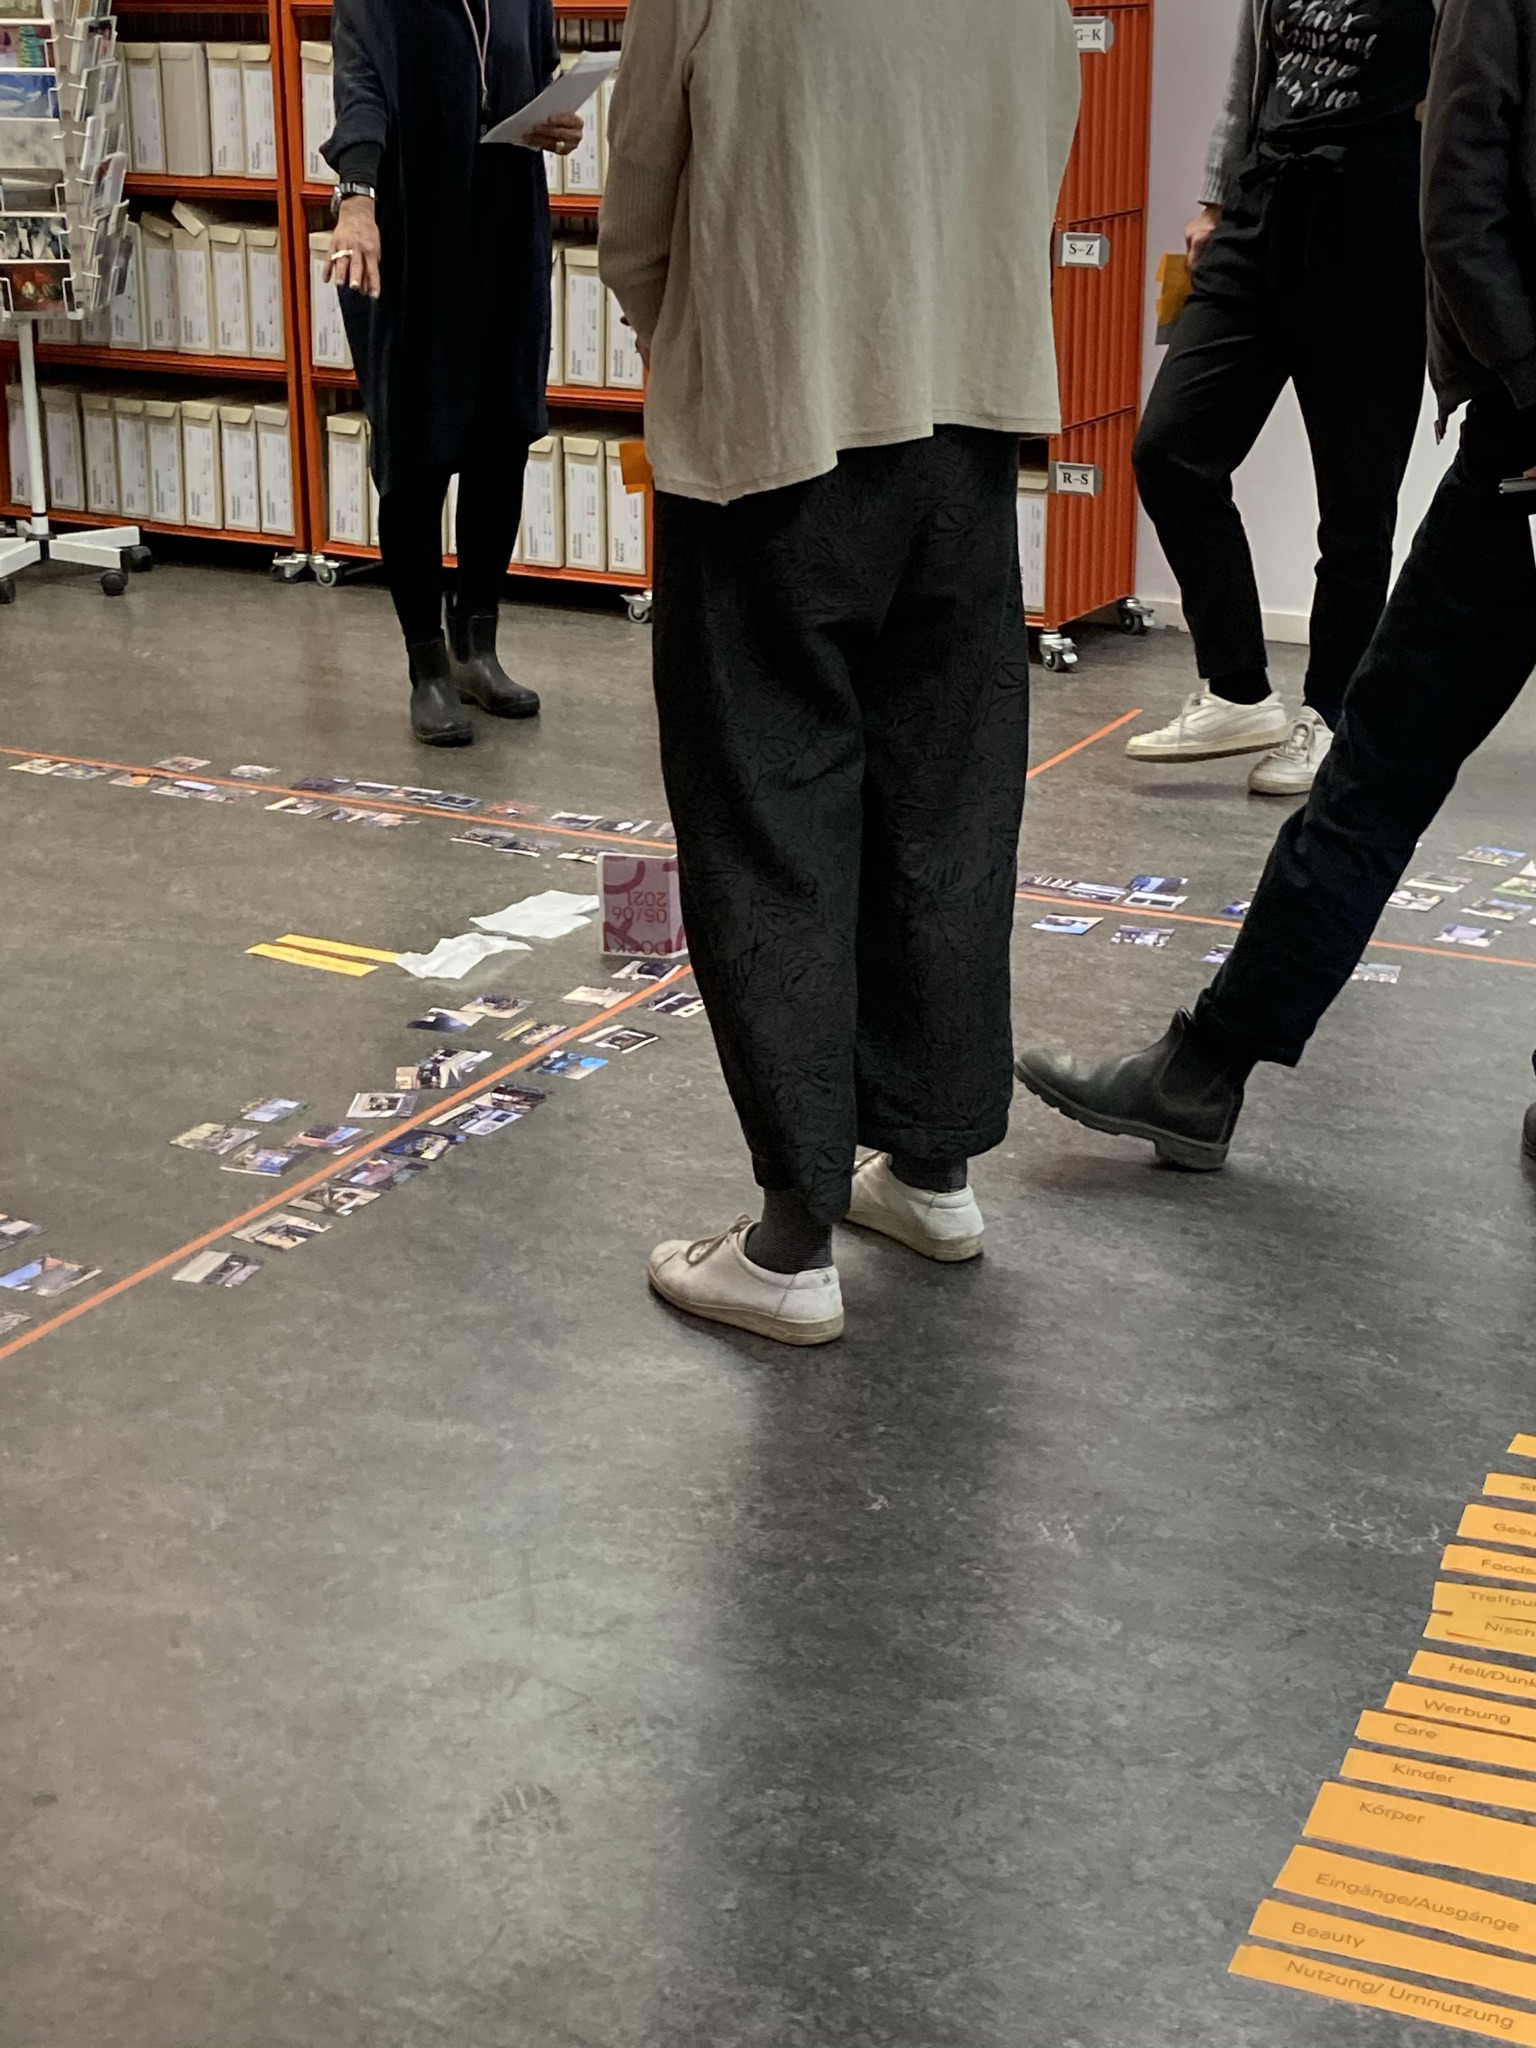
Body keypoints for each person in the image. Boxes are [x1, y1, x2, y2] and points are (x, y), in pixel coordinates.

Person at [599, 0, 1080, 1347]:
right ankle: (930, 1170)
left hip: (782, 409)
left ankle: (792, 1237)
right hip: (969, 415)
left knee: (770, 816)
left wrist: (673, 330)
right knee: (947, 807)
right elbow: (1043, 141)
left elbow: (640, 199)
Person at [1016, 0, 1536, 1170]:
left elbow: (1459, 196)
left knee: (1377, 764)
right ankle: (1240, 692)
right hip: (1298, 228)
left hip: (1516, 441)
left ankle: (1203, 1070)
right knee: (1175, 453)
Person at [1124, 0, 1436, 798]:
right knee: (1169, 450)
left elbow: (1473, 93)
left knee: (1356, 504)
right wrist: (1215, 199)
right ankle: (1236, 689)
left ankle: (1330, 714)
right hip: (1263, 204)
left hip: (1379, 223)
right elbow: (1249, 73)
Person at [323, 0, 584, 748]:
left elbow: (537, 75)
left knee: (503, 443)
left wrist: (557, 123)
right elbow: (361, 93)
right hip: (413, 238)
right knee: (415, 457)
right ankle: (428, 669)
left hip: (506, 231)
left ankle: (476, 647)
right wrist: (357, 200)